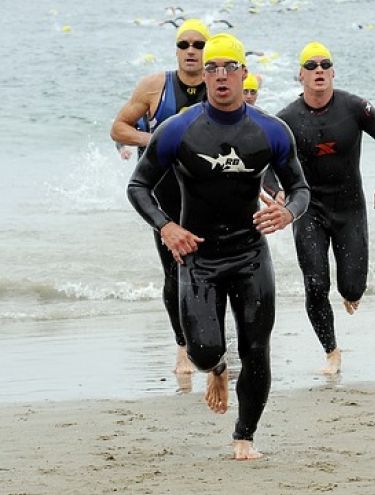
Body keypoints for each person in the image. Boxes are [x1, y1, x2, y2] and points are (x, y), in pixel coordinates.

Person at [127, 33, 310, 460]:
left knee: (257, 348)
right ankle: (218, 371)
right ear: (204, 75)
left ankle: (244, 436)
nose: (221, 76)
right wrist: (166, 226)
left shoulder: (271, 130)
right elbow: (138, 185)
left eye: (229, 68)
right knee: (204, 350)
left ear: (244, 74)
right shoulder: (178, 130)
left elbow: (300, 187)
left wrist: (288, 213)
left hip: (249, 255)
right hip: (199, 257)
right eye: (213, 68)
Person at [273, 41, 375, 375]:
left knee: (352, 288)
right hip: (309, 209)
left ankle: (351, 291)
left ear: (332, 72)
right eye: (311, 66)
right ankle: (331, 351)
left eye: (324, 65)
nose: (318, 71)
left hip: (350, 209)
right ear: (300, 75)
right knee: (315, 284)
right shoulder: (286, 119)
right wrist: (274, 193)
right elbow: (265, 162)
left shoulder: (355, 107)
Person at [110, 18, 210, 375]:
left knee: (213, 268)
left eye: (198, 45)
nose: (191, 51)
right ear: (177, 51)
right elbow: (118, 128)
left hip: (205, 193)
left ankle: (212, 340)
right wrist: (152, 140)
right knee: (174, 271)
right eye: (184, 45)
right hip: (164, 193)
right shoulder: (155, 86)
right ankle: (182, 347)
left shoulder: (219, 85)